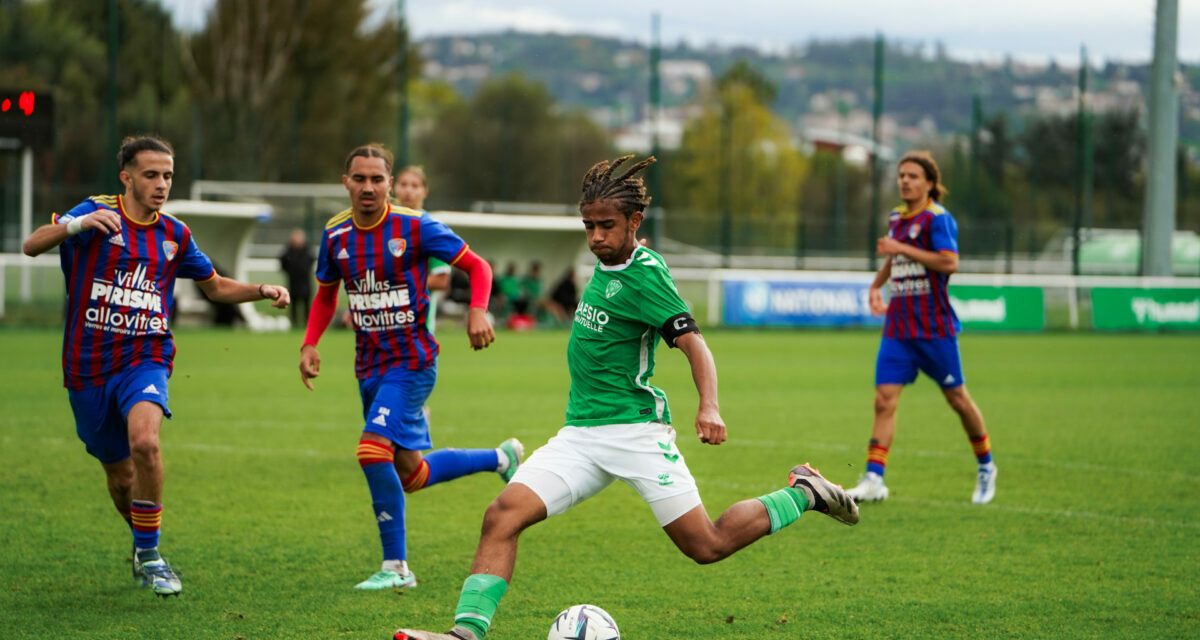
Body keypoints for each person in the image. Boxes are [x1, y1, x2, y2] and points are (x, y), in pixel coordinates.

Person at [393, 155, 859, 640]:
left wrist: (709, 405)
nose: (596, 236)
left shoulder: (646, 275)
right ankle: (464, 634)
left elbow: (694, 344)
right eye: (589, 226)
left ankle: (804, 491)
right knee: (501, 516)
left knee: (707, 544)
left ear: (634, 222)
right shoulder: (605, 262)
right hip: (579, 435)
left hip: (636, 432)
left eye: (607, 226)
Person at [21, 135, 291, 598]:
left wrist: (262, 289)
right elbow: (31, 245)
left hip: (145, 356)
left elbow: (216, 286)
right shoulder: (94, 212)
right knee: (120, 477)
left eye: (167, 175)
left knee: (145, 443)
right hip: (86, 368)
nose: (162, 184)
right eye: (151, 175)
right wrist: (77, 225)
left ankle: (149, 555)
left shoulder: (174, 234)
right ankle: (143, 541)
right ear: (126, 177)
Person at [298, 144, 524, 591]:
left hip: (413, 361)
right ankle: (502, 457)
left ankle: (396, 568)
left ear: (389, 182)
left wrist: (478, 310)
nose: (368, 187)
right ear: (346, 182)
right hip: (369, 366)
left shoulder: (415, 226)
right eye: (359, 179)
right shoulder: (335, 234)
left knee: (371, 450)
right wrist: (310, 342)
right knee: (411, 474)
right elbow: (326, 294)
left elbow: (477, 267)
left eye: (377, 179)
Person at [846, 150, 996, 505]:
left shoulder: (938, 219)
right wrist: (876, 284)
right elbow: (895, 257)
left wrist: (900, 247)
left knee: (958, 400)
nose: (905, 181)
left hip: (934, 330)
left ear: (930, 183)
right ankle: (873, 479)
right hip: (898, 329)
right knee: (884, 401)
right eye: (901, 175)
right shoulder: (897, 216)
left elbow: (949, 262)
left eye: (913, 176)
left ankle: (986, 464)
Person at [393, 166, 451, 332]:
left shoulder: (431, 229)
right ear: (394, 187)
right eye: (403, 184)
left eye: (414, 185)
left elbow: (441, 280)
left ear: (424, 191)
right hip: (382, 332)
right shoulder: (383, 227)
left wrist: (397, 281)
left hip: (419, 332)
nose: (408, 190)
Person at [279, 228, 315, 328]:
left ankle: (307, 324)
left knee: (306, 305)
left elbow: (311, 261)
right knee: (293, 305)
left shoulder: (308, 251)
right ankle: (294, 323)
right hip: (293, 283)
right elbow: (282, 263)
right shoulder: (288, 252)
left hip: (305, 284)